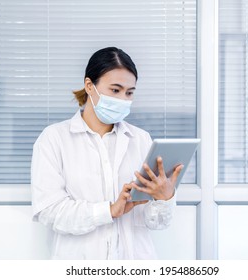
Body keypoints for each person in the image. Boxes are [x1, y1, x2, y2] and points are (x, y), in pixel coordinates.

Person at [31, 47, 184, 260]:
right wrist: (109, 211)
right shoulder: (54, 139)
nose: (123, 99)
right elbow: (49, 211)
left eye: (129, 92)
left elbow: (156, 222)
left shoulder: (141, 140)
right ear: (89, 86)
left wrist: (164, 198)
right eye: (115, 90)